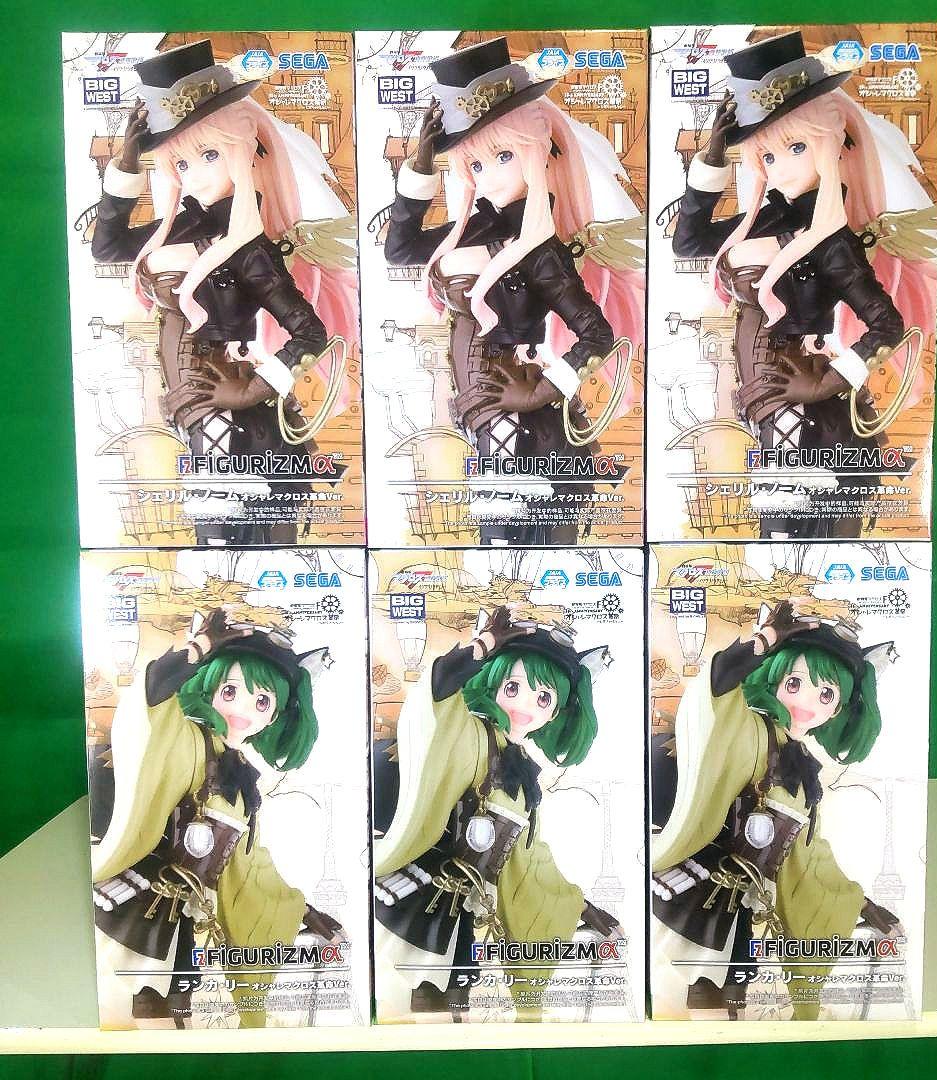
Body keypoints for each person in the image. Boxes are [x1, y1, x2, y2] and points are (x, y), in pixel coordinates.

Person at [91, 39, 358, 545]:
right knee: (216, 542)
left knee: (251, 540)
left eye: (208, 155)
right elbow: (107, 247)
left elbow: (311, 332)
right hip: (199, 416)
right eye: (181, 163)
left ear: (246, 153)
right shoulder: (178, 228)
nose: (192, 174)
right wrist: (126, 164)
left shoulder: (251, 248)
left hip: (240, 421)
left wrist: (252, 388)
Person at [673, 31, 937, 538]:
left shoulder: (832, 238)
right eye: (768, 156)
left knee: (817, 532)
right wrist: (713, 158)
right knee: (780, 532)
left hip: (815, 410)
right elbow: (688, 242)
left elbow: (887, 324)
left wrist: (826, 380)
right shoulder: (766, 219)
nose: (780, 167)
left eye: (796, 147)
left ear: (828, 145)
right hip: (770, 409)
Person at [384, 37, 644, 544]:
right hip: (481, 413)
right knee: (498, 539)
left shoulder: (541, 250)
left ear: (535, 154)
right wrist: (420, 166)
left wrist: (544, 388)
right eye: (476, 165)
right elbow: (400, 249)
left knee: (537, 537)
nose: (487, 176)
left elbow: (597, 333)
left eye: (503, 156)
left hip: (527, 418)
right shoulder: (471, 229)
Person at [91, 608, 342, 1028]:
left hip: (191, 915)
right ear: (208, 688)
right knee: (152, 1011)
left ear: (275, 714)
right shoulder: (185, 740)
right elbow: (153, 699)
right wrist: (199, 647)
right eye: (230, 691)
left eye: (262, 701)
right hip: (143, 902)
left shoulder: (241, 775)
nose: (245, 708)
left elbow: (247, 864)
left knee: (180, 1009)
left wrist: (301, 909)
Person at [651, 600, 900, 1020]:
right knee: (708, 991)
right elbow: (716, 691)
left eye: (826, 694)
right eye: (795, 682)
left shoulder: (802, 767)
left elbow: (807, 856)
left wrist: (860, 904)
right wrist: (764, 640)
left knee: (732, 990)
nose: (808, 701)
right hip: (700, 887)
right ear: (774, 677)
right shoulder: (747, 730)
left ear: (839, 707)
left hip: (743, 903)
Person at [373, 606, 618, 1020]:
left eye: (543, 698)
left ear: (556, 710)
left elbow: (528, 860)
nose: (526, 705)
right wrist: (483, 644)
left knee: (456, 1001)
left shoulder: (521, 768)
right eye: (513, 687)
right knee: (423, 1003)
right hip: (422, 893)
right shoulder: (467, 733)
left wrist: (577, 904)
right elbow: (438, 692)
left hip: (471, 908)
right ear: (492, 681)